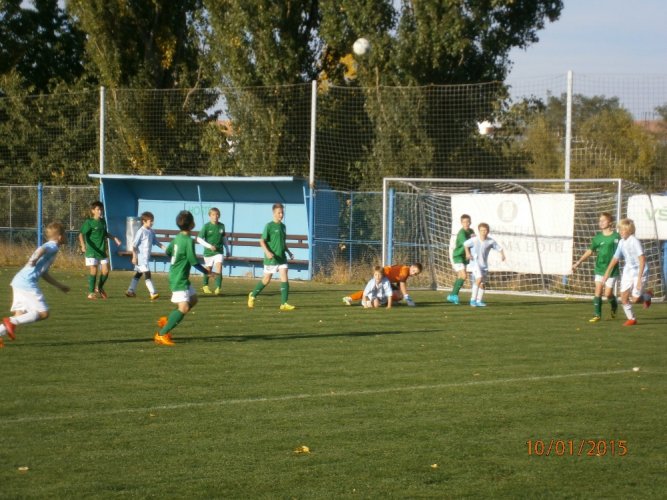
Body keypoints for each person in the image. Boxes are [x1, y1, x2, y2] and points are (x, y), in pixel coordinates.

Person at [0, 222, 70, 348]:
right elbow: (42, 249)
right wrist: (34, 258)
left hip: (19, 281)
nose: (66, 236)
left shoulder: (51, 246)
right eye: (64, 234)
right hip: (26, 282)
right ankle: (10, 321)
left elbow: (43, 273)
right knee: (43, 313)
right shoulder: (53, 246)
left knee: (19, 315)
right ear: (59, 237)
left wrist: (59, 285)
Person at [154, 210, 210, 346]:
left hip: (177, 275)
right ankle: (161, 334)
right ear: (192, 224)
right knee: (184, 308)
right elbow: (193, 261)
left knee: (193, 299)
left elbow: (168, 251)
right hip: (179, 277)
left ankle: (168, 321)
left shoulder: (177, 238)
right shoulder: (188, 241)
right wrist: (207, 272)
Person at [602, 218, 652, 326]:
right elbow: (615, 258)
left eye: (622, 229)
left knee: (635, 299)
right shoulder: (621, 242)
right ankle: (632, 319)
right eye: (619, 229)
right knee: (623, 296)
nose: (620, 231)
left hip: (640, 272)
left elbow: (642, 259)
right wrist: (607, 272)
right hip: (628, 271)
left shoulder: (634, 241)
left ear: (629, 230)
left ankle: (647, 297)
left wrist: (639, 279)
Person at [572, 212, 620, 322]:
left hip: (612, 270)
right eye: (600, 220)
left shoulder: (616, 236)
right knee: (597, 291)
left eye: (603, 220)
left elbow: (622, 250)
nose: (601, 222)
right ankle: (597, 315)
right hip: (600, 268)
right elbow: (590, 251)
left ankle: (614, 305)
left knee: (608, 294)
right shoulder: (597, 238)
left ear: (610, 222)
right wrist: (578, 262)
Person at [248, 203, 296, 311]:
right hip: (272, 258)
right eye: (279, 213)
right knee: (266, 279)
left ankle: (284, 303)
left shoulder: (283, 227)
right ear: (274, 213)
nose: (281, 215)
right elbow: (261, 241)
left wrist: (289, 252)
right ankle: (252, 295)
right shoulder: (269, 226)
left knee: (284, 275)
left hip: (282, 257)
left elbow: (283, 242)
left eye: (282, 212)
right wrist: (267, 252)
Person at [79, 200, 121, 299]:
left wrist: (114, 238)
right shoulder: (89, 222)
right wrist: (83, 245)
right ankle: (91, 293)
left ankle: (100, 287)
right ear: (93, 211)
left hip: (102, 250)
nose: (100, 211)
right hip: (92, 251)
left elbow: (105, 233)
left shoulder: (102, 221)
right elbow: (81, 234)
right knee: (94, 270)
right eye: (98, 209)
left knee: (106, 271)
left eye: (101, 209)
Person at [464, 222, 505, 307]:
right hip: (475, 263)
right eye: (481, 230)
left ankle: (479, 301)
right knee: (479, 279)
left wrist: (502, 255)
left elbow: (499, 248)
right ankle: (472, 300)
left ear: (488, 231)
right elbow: (465, 244)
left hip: (484, 265)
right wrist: (467, 253)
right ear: (479, 231)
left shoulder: (490, 241)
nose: (483, 232)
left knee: (482, 283)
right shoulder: (475, 239)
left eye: (485, 230)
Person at [342, 263, 423, 306]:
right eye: (414, 270)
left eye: (416, 273)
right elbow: (402, 284)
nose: (414, 273)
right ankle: (349, 298)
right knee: (370, 291)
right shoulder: (405, 271)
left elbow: (399, 281)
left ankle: (384, 302)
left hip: (386, 278)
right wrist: (408, 298)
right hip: (382, 276)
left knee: (399, 295)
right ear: (411, 266)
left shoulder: (405, 270)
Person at [125, 211, 165, 300]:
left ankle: (130, 291)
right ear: (144, 221)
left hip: (146, 258)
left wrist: (165, 248)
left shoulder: (151, 231)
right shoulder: (141, 231)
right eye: (150, 221)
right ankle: (153, 293)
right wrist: (134, 257)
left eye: (152, 221)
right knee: (147, 274)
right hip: (140, 258)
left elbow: (156, 242)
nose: (152, 223)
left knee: (139, 274)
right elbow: (134, 245)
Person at [196, 207, 231, 295]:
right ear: (209, 216)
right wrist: (209, 246)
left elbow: (224, 238)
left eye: (217, 215)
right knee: (208, 269)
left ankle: (218, 287)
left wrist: (227, 249)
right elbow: (199, 239)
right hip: (208, 253)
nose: (215, 216)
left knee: (219, 266)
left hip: (219, 252)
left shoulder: (221, 226)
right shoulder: (206, 226)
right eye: (213, 215)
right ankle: (205, 286)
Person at [447, 214, 475, 304]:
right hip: (458, 255)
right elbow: (466, 244)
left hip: (464, 257)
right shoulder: (462, 233)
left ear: (470, 222)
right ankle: (453, 295)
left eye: (467, 221)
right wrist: (468, 253)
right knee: (463, 275)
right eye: (464, 222)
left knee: (460, 276)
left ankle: (452, 296)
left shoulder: (471, 231)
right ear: (461, 223)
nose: (466, 223)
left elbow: (473, 241)